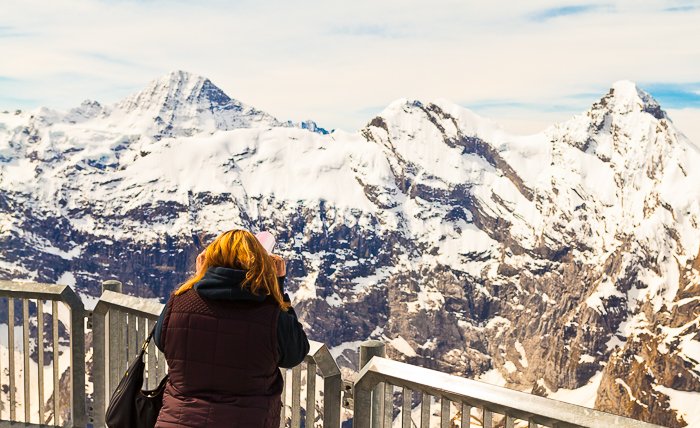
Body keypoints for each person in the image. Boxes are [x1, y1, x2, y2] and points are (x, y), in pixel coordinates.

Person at [152, 229, 310, 428]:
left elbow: (162, 341)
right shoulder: (271, 313)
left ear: (209, 258)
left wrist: (200, 277)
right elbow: (295, 354)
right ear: (261, 262)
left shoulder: (179, 302)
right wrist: (277, 286)